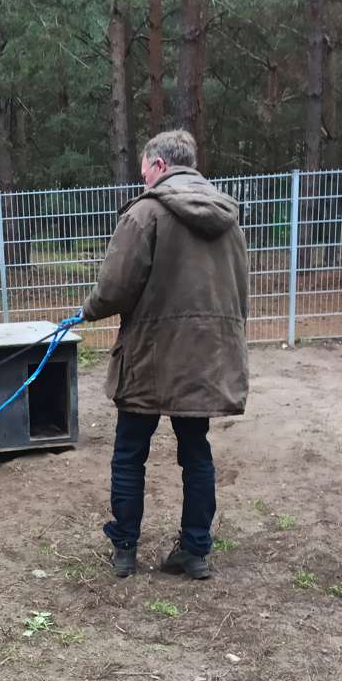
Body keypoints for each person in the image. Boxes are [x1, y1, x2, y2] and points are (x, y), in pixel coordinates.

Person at [80, 129, 249, 580]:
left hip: (151, 358)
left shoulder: (146, 213)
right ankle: (194, 551)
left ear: (157, 165)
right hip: (206, 358)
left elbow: (115, 287)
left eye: (143, 173)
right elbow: (239, 292)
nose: (143, 182)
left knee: (130, 452)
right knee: (196, 452)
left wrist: (87, 310)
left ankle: (125, 549)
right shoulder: (227, 218)